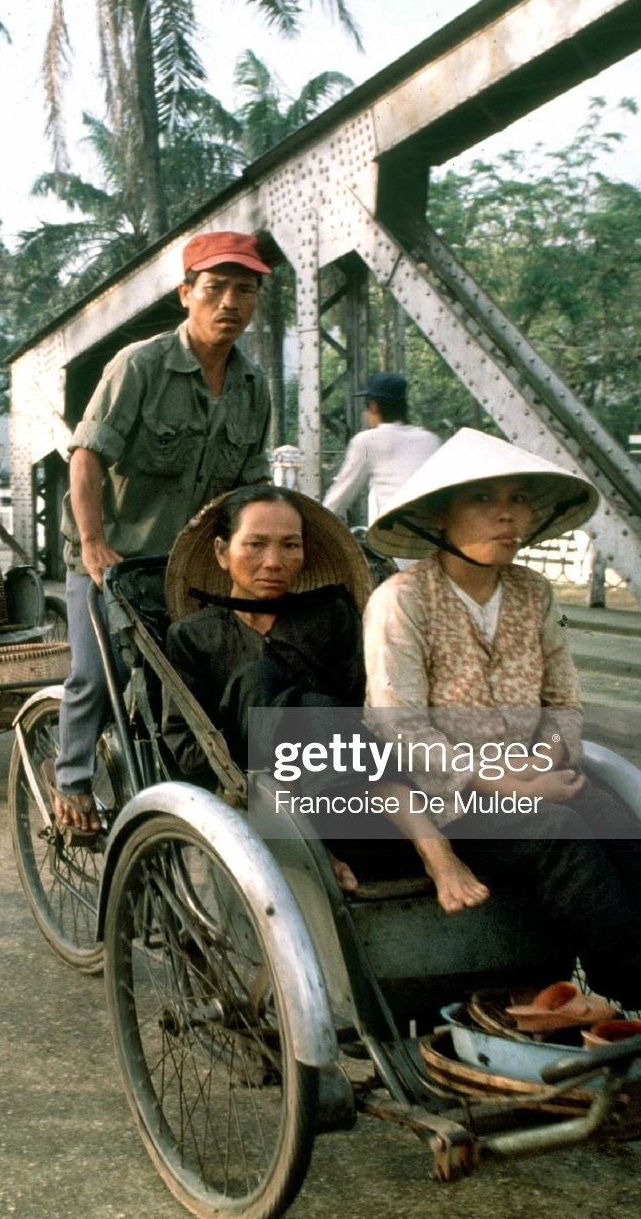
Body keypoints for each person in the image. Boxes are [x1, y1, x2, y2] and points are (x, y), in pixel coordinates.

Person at [363, 429, 641, 1027]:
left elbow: (563, 697)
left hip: (537, 781)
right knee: (564, 830)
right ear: (440, 516)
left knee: (624, 823)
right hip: (447, 799)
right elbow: (401, 727)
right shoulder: (402, 601)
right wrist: (505, 784)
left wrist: (549, 760)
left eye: (518, 500)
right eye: (482, 501)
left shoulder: (531, 592)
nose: (505, 515)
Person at [163, 485, 487, 911]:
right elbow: (184, 746)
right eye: (256, 545)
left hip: (357, 793)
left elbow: (370, 707)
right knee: (261, 681)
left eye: (289, 546)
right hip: (261, 794)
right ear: (222, 552)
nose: (274, 562)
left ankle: (435, 851)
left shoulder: (332, 615)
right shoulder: (193, 636)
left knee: (324, 709)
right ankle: (321, 848)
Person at [55, 229, 277, 833]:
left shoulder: (254, 386)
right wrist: (95, 543)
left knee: (199, 681)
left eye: (245, 291)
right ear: (186, 294)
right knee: (99, 676)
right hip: (115, 559)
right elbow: (86, 458)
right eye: (215, 289)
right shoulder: (140, 365)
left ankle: (188, 797)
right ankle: (71, 782)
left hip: (189, 568)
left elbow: (249, 490)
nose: (230, 302)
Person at [322, 372, 442, 569]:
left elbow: (340, 495)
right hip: (437, 545)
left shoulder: (368, 440)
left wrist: (314, 529)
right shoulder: (430, 439)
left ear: (374, 407)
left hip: (399, 546)